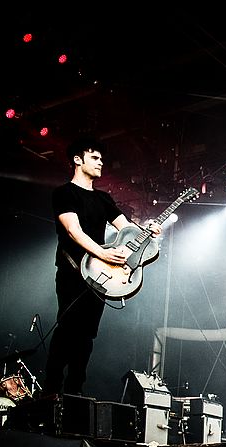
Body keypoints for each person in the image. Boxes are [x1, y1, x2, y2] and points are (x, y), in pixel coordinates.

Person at [43, 137, 160, 396]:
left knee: (86, 338)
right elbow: (74, 231)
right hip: (73, 271)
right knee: (67, 330)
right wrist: (104, 254)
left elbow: (128, 229)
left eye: (101, 159)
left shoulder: (103, 199)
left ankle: (74, 394)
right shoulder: (64, 193)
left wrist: (148, 231)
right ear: (77, 160)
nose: (100, 163)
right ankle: (50, 392)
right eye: (94, 157)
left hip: (99, 277)